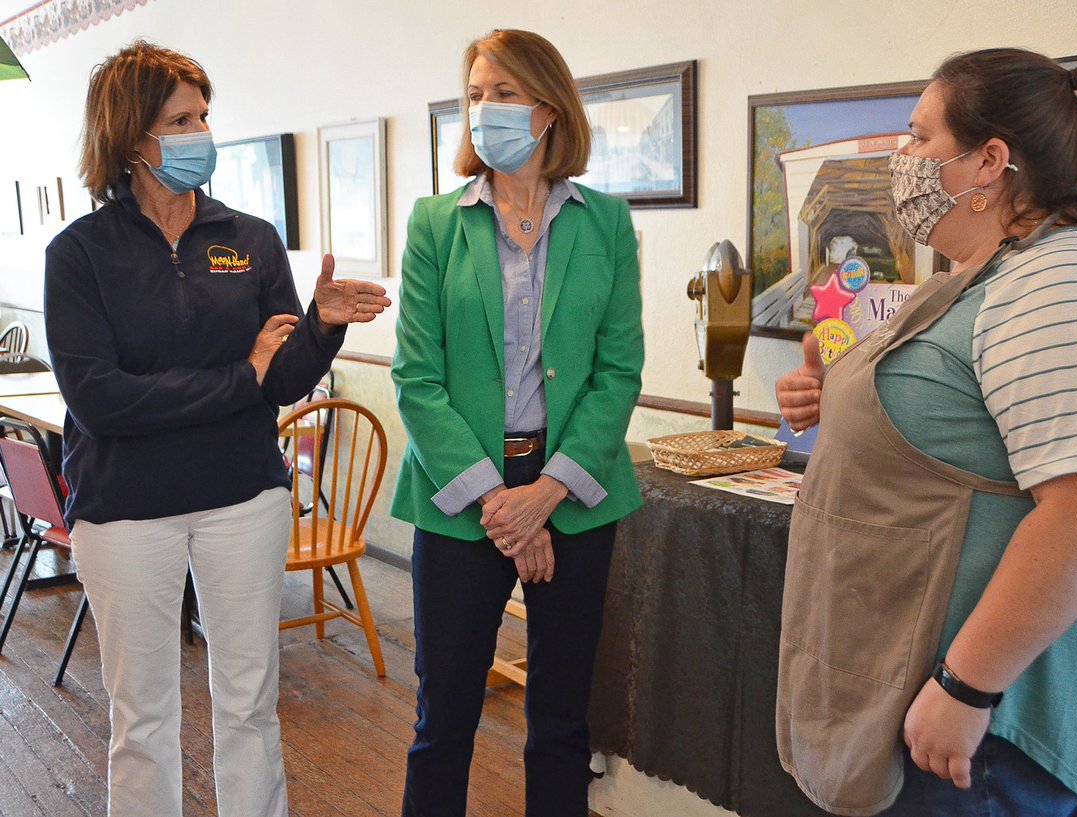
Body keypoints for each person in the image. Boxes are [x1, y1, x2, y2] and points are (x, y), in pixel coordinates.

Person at [774, 48, 1077, 817]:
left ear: (989, 161)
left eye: (919, 136)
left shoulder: (1068, 278)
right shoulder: (985, 276)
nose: (902, 157)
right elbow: (950, 413)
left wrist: (967, 684)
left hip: (984, 726)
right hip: (920, 688)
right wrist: (834, 390)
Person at [43, 41, 390, 817]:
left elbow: (284, 378)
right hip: (125, 510)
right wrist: (241, 377)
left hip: (243, 497)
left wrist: (321, 327)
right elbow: (101, 401)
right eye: (180, 119)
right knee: (142, 719)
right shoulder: (78, 255)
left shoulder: (251, 239)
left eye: (203, 115)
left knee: (250, 706)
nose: (201, 132)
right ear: (130, 135)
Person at [391, 28, 644, 817]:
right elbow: (416, 380)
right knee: (444, 719)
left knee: (562, 722)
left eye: (502, 93)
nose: (483, 109)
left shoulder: (605, 223)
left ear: (548, 107)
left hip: (574, 497)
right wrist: (502, 502)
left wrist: (547, 494)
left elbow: (618, 373)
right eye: (474, 95)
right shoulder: (436, 223)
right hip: (463, 496)